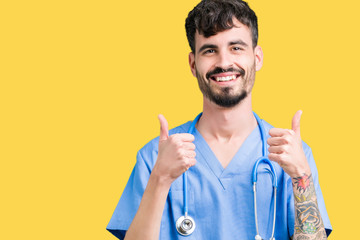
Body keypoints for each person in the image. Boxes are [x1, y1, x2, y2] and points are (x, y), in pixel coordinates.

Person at [107, 0, 332, 239]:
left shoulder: (292, 154)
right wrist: (160, 179)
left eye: (236, 48)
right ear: (193, 64)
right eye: (210, 50)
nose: (224, 63)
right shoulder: (155, 156)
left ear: (257, 58)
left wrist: (300, 176)